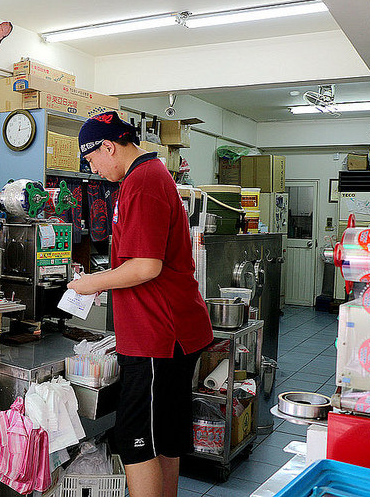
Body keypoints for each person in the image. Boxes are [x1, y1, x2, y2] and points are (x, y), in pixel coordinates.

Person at [67, 112, 213, 497]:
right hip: (168, 332)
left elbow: (147, 266)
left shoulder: (143, 182)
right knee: (163, 435)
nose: (93, 169)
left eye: (92, 160)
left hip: (158, 337)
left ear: (108, 147)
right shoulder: (148, 176)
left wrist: (90, 283)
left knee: (136, 438)